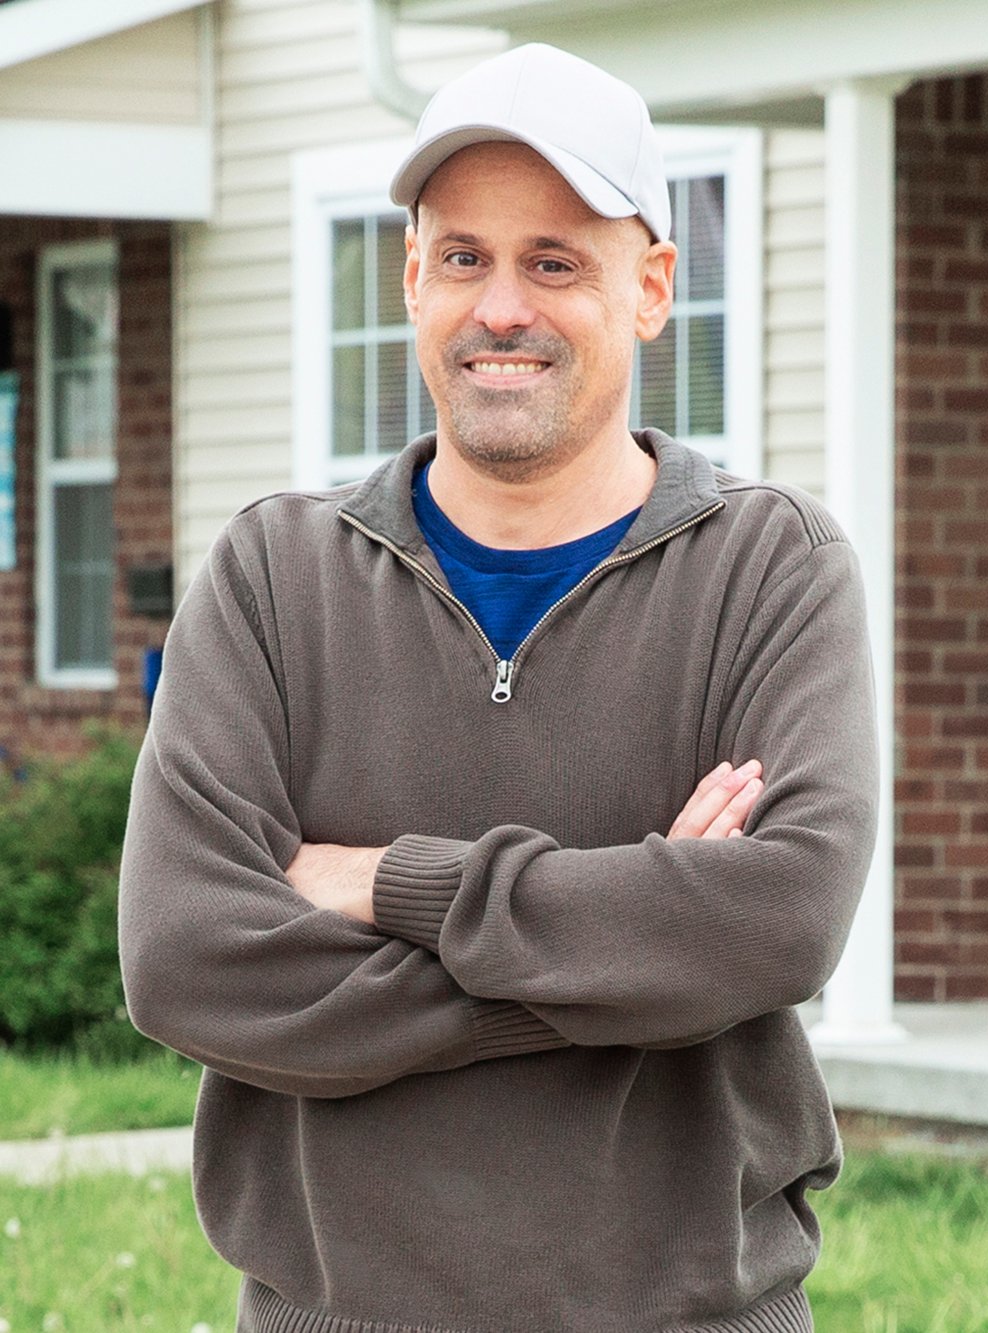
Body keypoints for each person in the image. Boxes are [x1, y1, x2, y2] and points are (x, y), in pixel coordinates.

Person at [116, 43, 877, 1333]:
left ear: (652, 289)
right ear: (411, 278)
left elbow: (782, 917)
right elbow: (186, 961)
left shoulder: (770, 567)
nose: (501, 306)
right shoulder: (271, 578)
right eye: (463, 255)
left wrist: (387, 884)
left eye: (556, 261)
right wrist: (635, 954)